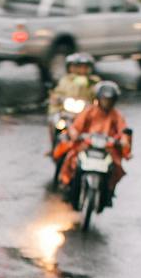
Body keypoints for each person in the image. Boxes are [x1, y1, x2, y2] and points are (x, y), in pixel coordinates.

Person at [52, 79, 132, 209]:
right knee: (70, 159)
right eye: (104, 99)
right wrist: (75, 134)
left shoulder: (116, 116)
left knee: (117, 167)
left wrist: (122, 141)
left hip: (107, 149)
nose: (107, 103)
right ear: (99, 99)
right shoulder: (89, 111)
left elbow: (123, 131)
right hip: (86, 145)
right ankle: (67, 185)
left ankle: (109, 192)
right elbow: (76, 126)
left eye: (109, 100)